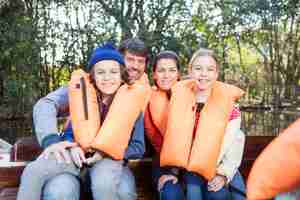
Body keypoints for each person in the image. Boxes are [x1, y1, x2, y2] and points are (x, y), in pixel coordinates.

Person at [17, 43, 145, 200]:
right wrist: (59, 142)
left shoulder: (131, 100)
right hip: (76, 156)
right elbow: (49, 109)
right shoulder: (81, 92)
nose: (107, 77)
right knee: (33, 171)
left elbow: (138, 146)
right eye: (101, 72)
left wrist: (104, 153)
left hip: (109, 160)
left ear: (121, 74)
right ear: (92, 75)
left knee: (107, 185)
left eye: (113, 72)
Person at [145, 48, 246, 200]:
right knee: (191, 187)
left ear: (216, 73)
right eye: (198, 69)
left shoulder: (228, 105)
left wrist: (223, 174)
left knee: (219, 194)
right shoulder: (182, 100)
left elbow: (236, 139)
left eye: (210, 69)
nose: (204, 74)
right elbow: (178, 141)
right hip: (188, 167)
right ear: (190, 72)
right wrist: (173, 171)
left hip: (220, 164)